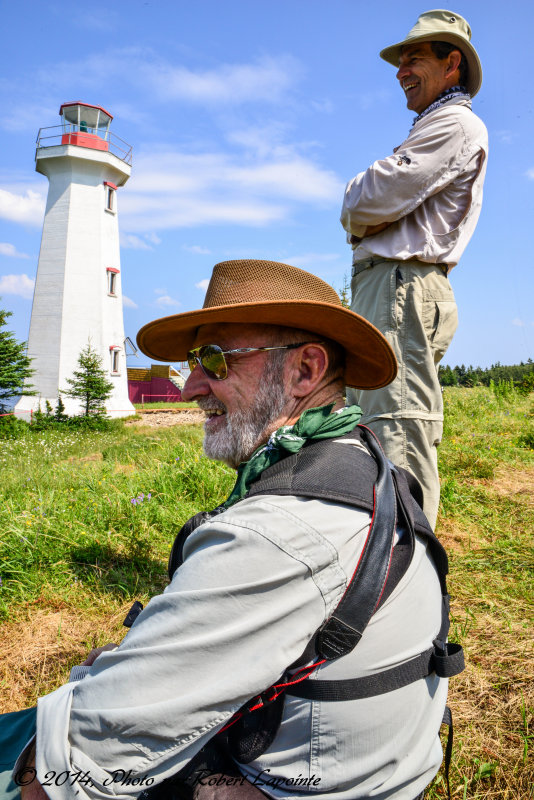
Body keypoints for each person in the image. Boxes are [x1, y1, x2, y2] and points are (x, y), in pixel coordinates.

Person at [15, 260, 460, 800]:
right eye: (191, 362)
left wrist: (39, 757)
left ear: (304, 371)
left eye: (214, 360)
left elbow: (77, 762)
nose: (189, 388)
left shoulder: (279, 533)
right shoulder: (363, 457)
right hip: (385, 770)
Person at [340, 9, 488, 528]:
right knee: (377, 422)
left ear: (452, 65)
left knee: (396, 423)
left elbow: (367, 200)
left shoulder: (453, 122)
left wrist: (359, 209)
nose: (401, 70)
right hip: (396, 285)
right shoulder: (434, 125)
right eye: (400, 61)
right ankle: (381, 550)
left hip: (400, 286)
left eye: (414, 58)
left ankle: (403, 569)